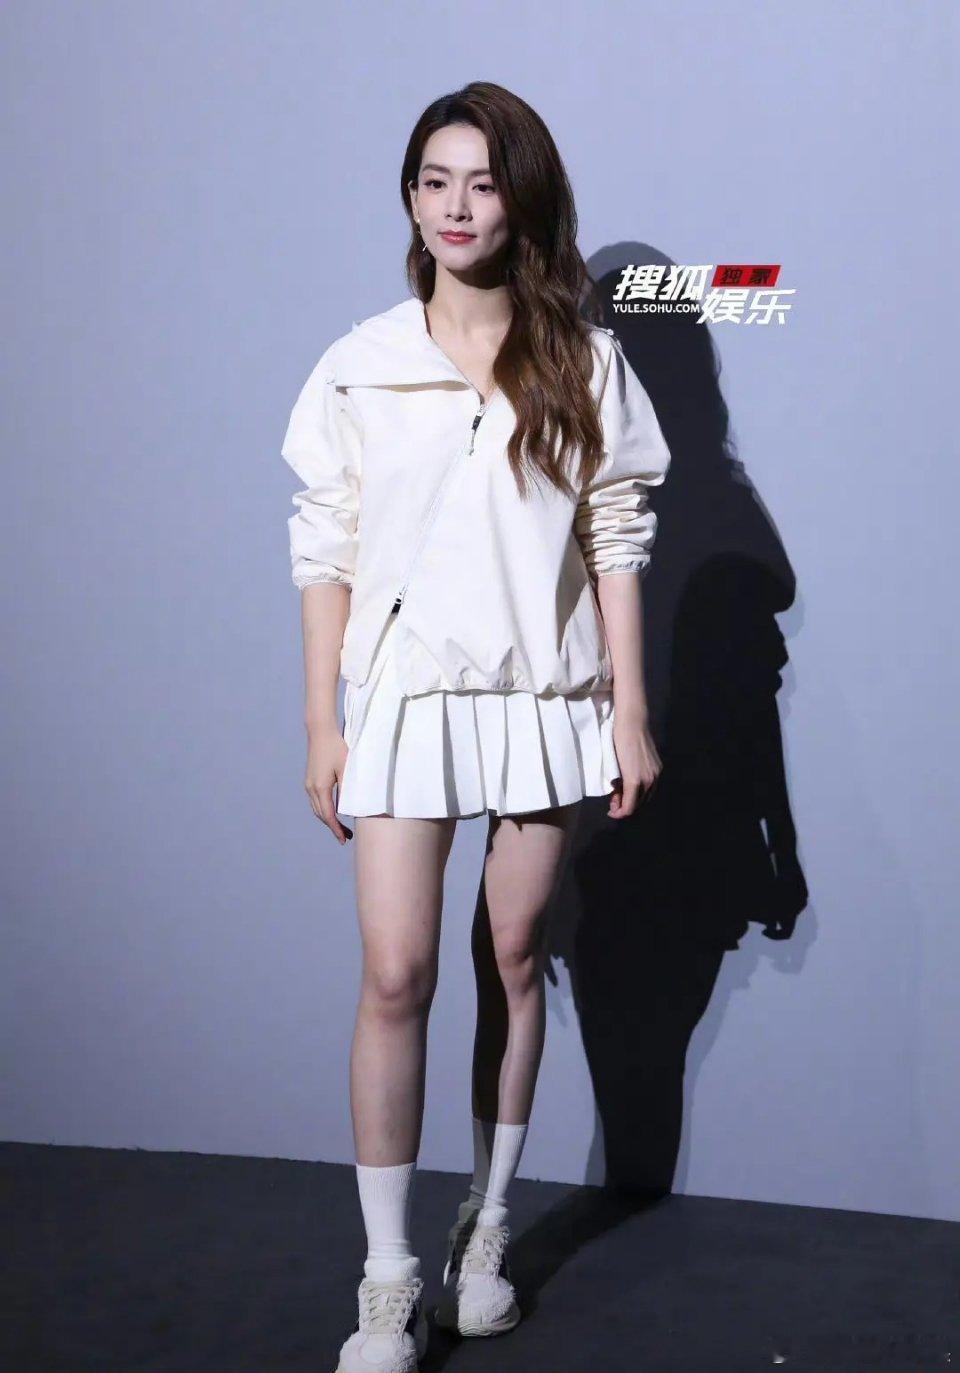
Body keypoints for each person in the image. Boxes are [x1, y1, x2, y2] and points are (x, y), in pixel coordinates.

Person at [280, 81, 671, 1373]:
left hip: (543, 696)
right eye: (435, 180)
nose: (456, 206)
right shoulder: (360, 362)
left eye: (484, 182)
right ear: (410, 197)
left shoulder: (583, 363)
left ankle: (486, 1230)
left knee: (512, 957)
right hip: (406, 698)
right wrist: (323, 720)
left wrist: (629, 710)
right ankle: (387, 1279)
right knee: (398, 972)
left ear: (522, 202)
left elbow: (617, 539)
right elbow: (325, 549)